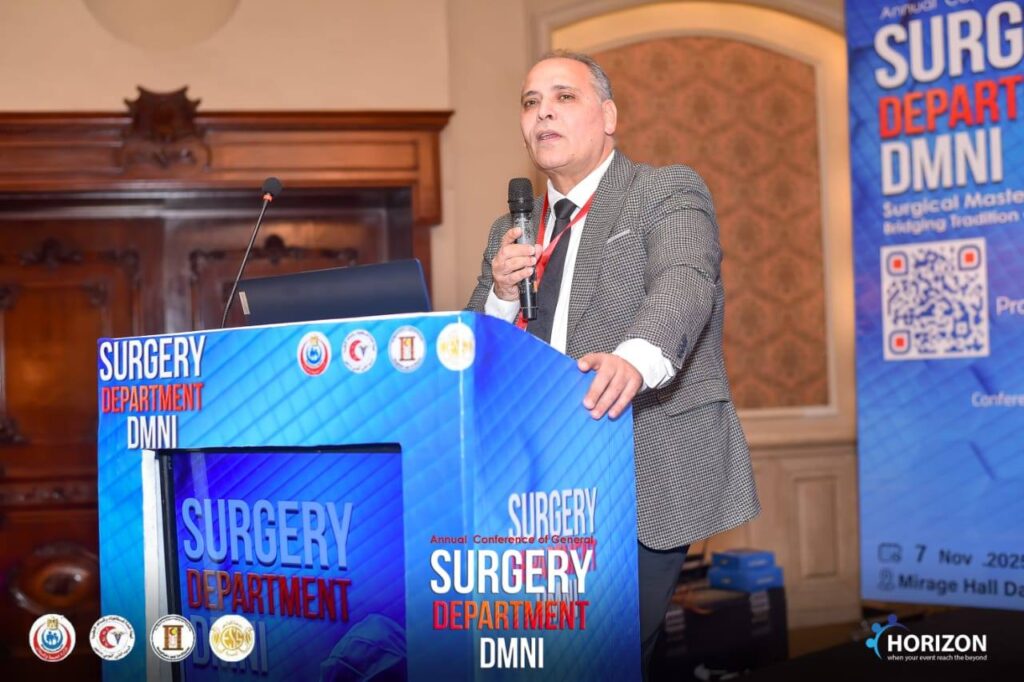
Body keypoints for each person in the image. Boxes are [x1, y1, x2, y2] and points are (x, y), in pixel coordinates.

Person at [465, 51, 760, 678]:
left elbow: (685, 281)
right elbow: (472, 354)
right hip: (531, 485)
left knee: (611, 656)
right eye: (530, 102)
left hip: (637, 468)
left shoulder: (664, 192)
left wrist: (633, 361)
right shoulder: (509, 230)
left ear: (608, 116)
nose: (543, 112)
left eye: (563, 96)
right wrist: (499, 294)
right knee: (540, 658)